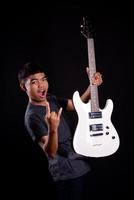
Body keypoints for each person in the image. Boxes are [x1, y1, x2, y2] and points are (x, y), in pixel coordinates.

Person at [18, 62, 103, 200]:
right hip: (67, 175)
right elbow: (51, 152)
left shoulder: (50, 98)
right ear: (23, 87)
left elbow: (76, 105)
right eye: (34, 82)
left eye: (43, 79)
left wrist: (92, 86)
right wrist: (53, 128)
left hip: (82, 164)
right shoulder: (31, 117)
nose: (41, 85)